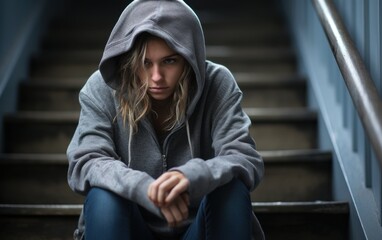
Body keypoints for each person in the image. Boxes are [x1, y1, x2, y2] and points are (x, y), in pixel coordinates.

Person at [67, 0, 265, 239]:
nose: (157, 77)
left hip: (199, 229)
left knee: (231, 189)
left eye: (169, 61)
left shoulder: (217, 83)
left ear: (189, 58)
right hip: (130, 228)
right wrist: (145, 188)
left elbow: (243, 157)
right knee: (104, 195)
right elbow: (86, 161)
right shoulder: (101, 88)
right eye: (145, 63)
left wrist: (192, 176)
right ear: (130, 60)